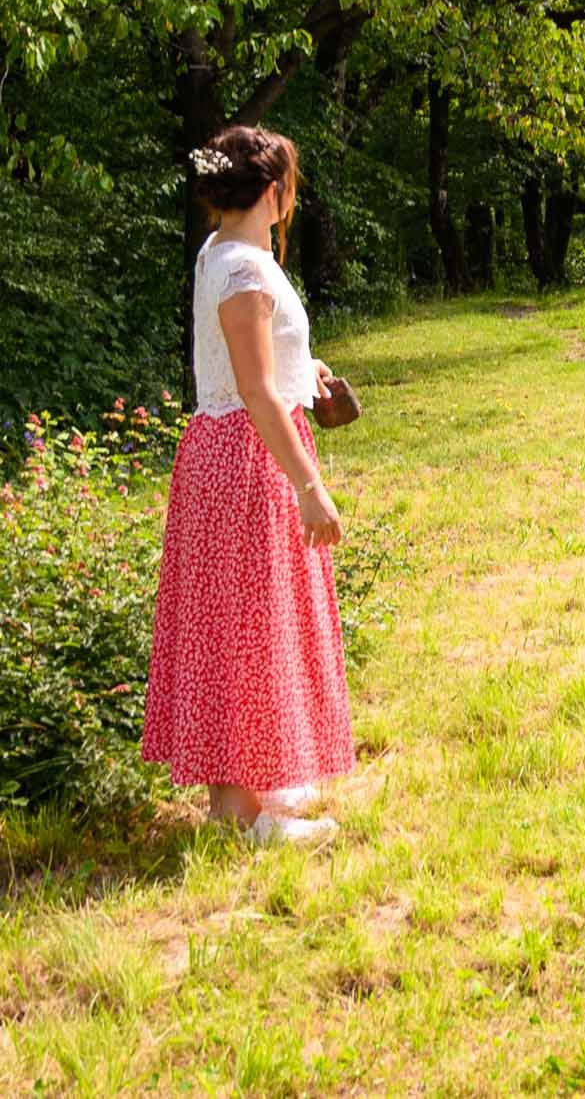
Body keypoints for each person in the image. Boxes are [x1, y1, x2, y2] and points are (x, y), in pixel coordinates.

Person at [142, 126, 352, 844]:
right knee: (245, 626)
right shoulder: (246, 272)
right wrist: (309, 485)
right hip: (247, 458)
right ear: (272, 192)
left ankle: (251, 794)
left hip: (227, 451)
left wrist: (308, 369)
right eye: (290, 187)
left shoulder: (222, 253)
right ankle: (241, 815)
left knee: (241, 623)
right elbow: (257, 393)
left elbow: (255, 366)